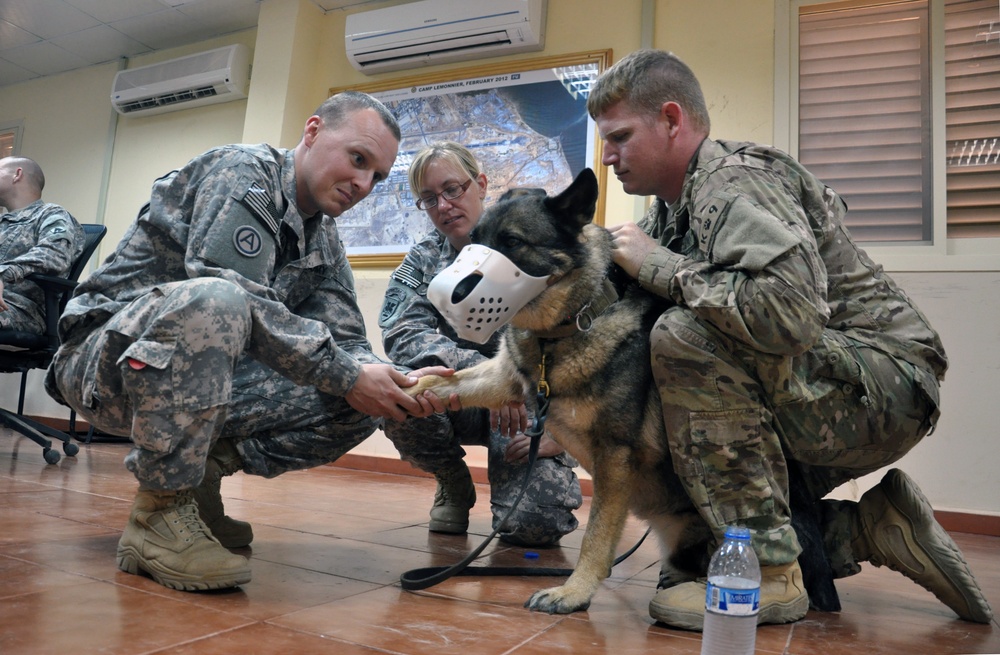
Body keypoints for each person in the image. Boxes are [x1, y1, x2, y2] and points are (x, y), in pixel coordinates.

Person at [586, 49, 993, 629]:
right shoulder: (671, 210)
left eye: (620, 136)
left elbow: (790, 313)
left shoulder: (733, 181)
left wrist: (659, 267)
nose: (608, 156)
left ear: (672, 120)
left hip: (884, 383)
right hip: (832, 382)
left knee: (684, 337)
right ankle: (872, 530)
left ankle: (770, 578)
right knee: (693, 482)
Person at [45, 92, 455, 592]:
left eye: (378, 177)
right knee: (219, 298)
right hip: (103, 364)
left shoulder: (322, 241)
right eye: (357, 159)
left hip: (193, 375)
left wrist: (396, 382)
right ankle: (158, 514)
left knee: (362, 399)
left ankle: (198, 483)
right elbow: (230, 290)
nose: (363, 184)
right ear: (312, 132)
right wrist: (348, 372)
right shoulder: (243, 172)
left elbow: (347, 339)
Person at [379, 142, 581, 547]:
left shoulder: (529, 244)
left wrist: (563, 431)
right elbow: (403, 334)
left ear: (481, 184)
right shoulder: (422, 261)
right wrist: (493, 383)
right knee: (398, 393)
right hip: (465, 397)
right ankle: (452, 481)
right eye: (429, 199)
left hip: (524, 409)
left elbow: (581, 347)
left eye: (452, 189)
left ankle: (527, 489)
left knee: (533, 527)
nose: (444, 205)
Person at [0, 156, 84, 334]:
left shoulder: (50, 215)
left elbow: (55, 255)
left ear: (17, 174)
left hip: (19, 309)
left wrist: (3, 273)